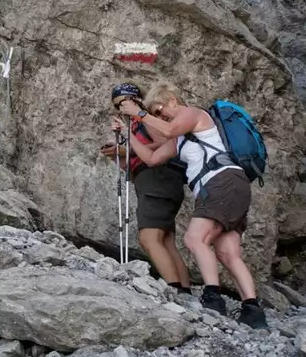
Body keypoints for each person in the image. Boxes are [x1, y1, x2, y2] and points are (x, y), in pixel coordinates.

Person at [117, 81, 268, 329]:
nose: (160, 115)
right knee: (228, 253)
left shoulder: (194, 113)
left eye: (161, 109)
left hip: (221, 181)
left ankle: (212, 298)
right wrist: (128, 135)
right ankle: (253, 310)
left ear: (174, 101)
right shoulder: (180, 140)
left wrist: (139, 114)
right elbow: (152, 158)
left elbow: (167, 130)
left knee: (195, 239)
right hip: (228, 187)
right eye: (155, 113)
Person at [102, 83, 191, 294]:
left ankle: (174, 289)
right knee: (165, 240)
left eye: (124, 102)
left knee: (149, 238)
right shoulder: (133, 125)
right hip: (155, 181)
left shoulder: (147, 119)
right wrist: (118, 156)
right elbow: (131, 168)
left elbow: (166, 143)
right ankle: (185, 291)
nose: (121, 107)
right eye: (117, 104)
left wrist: (127, 149)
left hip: (158, 178)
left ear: (136, 100)